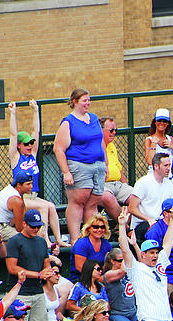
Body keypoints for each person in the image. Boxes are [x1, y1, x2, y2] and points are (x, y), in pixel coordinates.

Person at [53, 90, 105, 243]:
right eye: (84, 100)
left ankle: (92, 237)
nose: (87, 103)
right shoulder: (68, 122)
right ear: (75, 102)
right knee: (78, 201)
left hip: (98, 165)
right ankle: (76, 239)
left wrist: (105, 164)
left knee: (94, 201)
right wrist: (66, 172)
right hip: (79, 165)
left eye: (89, 100)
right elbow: (59, 149)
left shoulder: (94, 118)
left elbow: (100, 141)